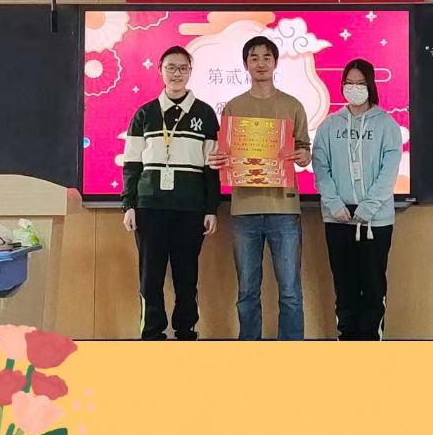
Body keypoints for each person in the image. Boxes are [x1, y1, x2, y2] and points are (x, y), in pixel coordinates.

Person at [208, 36, 311, 340]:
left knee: (290, 291)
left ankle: (290, 352)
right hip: (245, 210)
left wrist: (303, 156)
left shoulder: (292, 105)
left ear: (275, 62)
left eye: (267, 57)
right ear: (245, 65)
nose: (261, 63)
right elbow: (226, 154)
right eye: (254, 58)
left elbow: (305, 150)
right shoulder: (233, 107)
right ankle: (250, 351)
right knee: (247, 291)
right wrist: (219, 159)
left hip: (284, 209)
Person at [121, 45, 221, 340]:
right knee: (150, 276)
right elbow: (131, 164)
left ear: (190, 72)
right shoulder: (145, 114)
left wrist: (211, 209)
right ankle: (152, 333)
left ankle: (186, 331)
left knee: (186, 276)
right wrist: (129, 204)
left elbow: (211, 168)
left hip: (190, 209)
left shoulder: (205, 114)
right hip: (149, 207)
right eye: (171, 68)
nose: (177, 74)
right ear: (160, 71)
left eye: (183, 68)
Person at [311, 59, 403, 340]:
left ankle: (371, 344)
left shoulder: (386, 125)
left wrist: (369, 206)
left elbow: (389, 170)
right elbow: (321, 167)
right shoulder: (329, 126)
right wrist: (334, 204)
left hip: (376, 221)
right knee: (345, 288)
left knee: (373, 287)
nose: (354, 88)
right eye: (349, 83)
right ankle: (347, 342)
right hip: (338, 218)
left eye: (360, 83)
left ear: (370, 85)